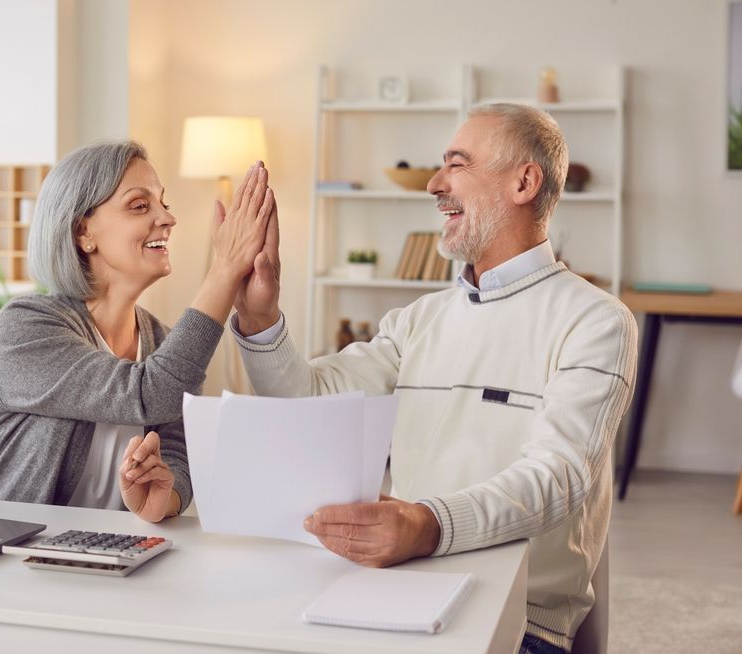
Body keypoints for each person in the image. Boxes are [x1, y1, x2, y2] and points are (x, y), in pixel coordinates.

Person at [231, 104, 637, 653]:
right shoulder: (417, 319)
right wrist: (259, 318)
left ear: (524, 181)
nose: (433, 183)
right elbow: (310, 401)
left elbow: (558, 476)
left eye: (456, 164)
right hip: (398, 589)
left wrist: (429, 526)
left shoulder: (596, 321)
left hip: (521, 618)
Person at [0, 141, 276, 523]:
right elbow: (150, 393)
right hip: (9, 558)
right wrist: (224, 271)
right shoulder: (24, 328)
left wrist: (166, 495)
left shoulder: (162, 342)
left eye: (164, 203)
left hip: (109, 557)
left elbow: (177, 452)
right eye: (140, 206)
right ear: (83, 232)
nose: (167, 218)